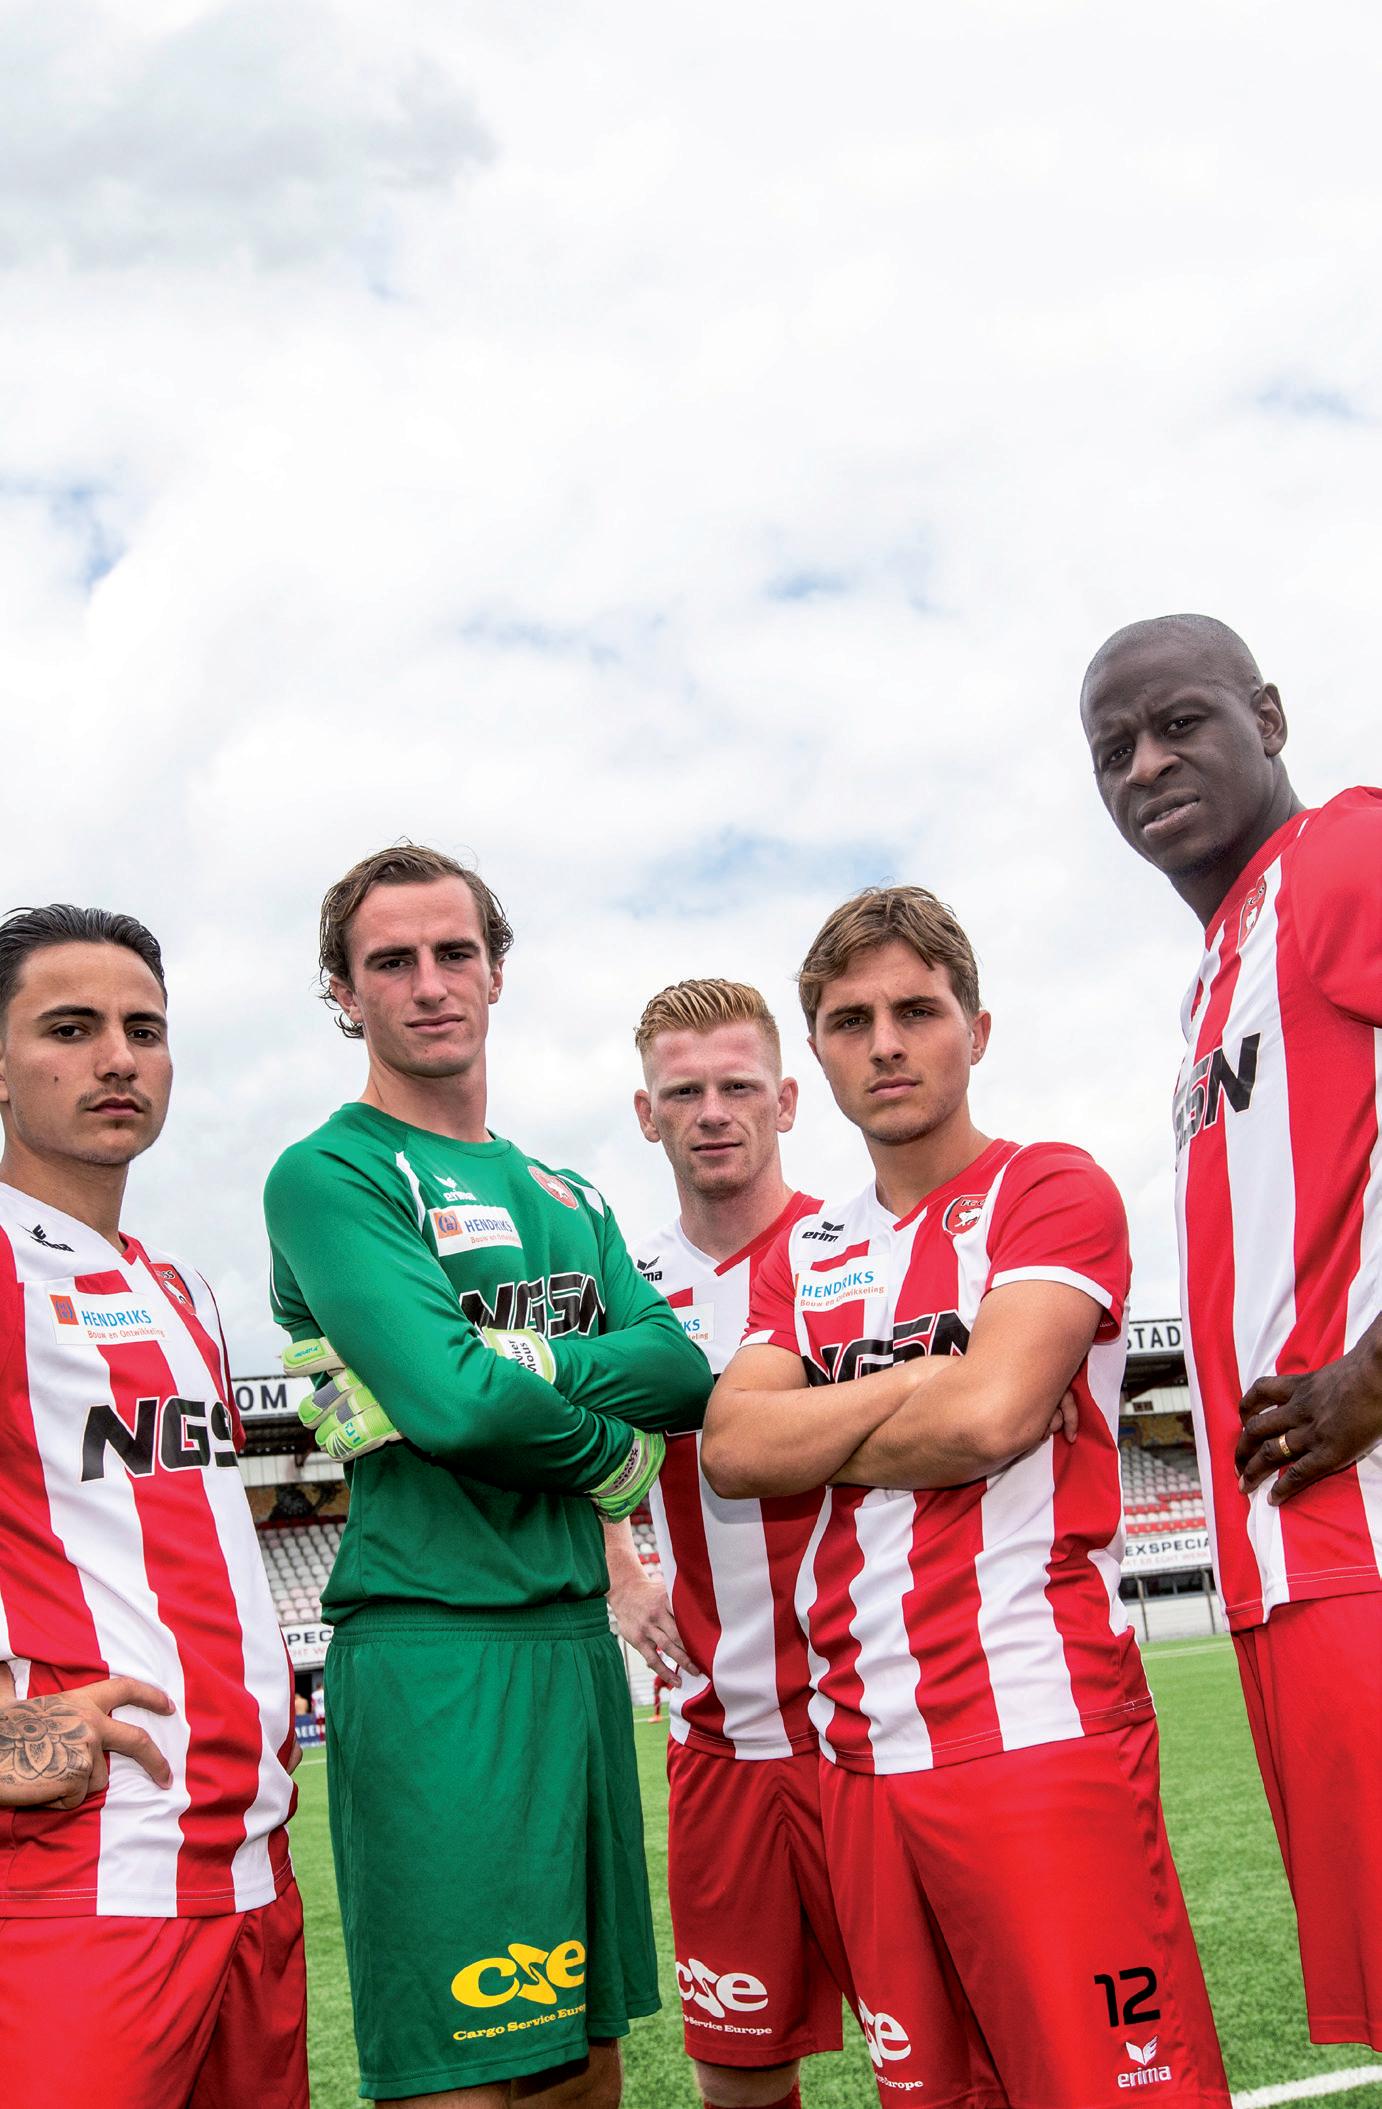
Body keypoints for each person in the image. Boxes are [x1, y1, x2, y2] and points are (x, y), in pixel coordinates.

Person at [702, 886, 1229, 2108]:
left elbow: (990, 1422)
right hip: (857, 1754)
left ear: (974, 1031)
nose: (884, 1044)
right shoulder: (803, 1252)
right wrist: (927, 1379)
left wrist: (834, 1419)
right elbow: (731, 1451)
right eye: (849, 1021)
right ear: (817, 1053)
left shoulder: (1048, 1187)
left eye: (916, 1011)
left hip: (1034, 1732)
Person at [263, 844, 712, 2109]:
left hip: (574, 1646)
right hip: (433, 1645)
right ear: (343, 991)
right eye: (389, 961)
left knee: (584, 2063)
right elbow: (456, 1411)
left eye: (453, 952)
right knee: (462, 2073)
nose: (428, 984)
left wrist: (508, 1358)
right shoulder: (332, 1173)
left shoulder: (566, 1191)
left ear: (496, 972)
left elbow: (678, 1373)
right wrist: (613, 1457)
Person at [1081, 613, 1382, 2050]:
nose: (1144, 765)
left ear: (1265, 716)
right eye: (1111, 751)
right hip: (1291, 1561)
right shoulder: (1219, 961)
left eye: (1178, 722)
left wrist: (1377, 1369)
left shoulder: (1341, 856)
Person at [0, 903, 305, 2108]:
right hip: (81, 1878)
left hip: (251, 1873)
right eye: (69, 1028)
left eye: (144, 1029)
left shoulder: (181, 1291)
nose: (117, 1058)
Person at [603, 978, 855, 2109]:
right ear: (645, 1114)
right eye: (683, 1092)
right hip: (717, 1734)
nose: (712, 1112)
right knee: (737, 2076)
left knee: (946, 2053)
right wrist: (620, 1566)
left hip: (876, 1724)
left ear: (786, 1101)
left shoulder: (859, 1251)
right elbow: (564, 1435)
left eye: (739, 1087)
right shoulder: (621, 1289)